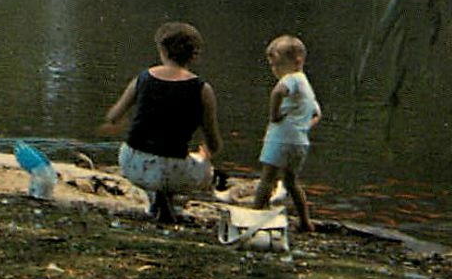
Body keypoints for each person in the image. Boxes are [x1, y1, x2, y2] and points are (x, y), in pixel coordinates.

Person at [101, 21, 223, 224]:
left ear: (162, 50)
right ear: (194, 55)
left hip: (133, 164)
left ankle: (158, 201)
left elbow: (113, 116)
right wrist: (206, 154)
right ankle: (165, 201)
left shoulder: (143, 78)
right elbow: (214, 143)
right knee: (199, 162)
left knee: (154, 157)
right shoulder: (203, 90)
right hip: (172, 172)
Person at [252, 34, 321, 232]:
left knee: (267, 178)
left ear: (297, 61)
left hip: (280, 138)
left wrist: (274, 115)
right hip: (300, 142)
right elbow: (317, 113)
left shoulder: (291, 79)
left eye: (277, 65)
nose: (274, 71)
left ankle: (255, 215)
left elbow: (277, 92)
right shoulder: (306, 85)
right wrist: (304, 126)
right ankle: (305, 221)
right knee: (291, 182)